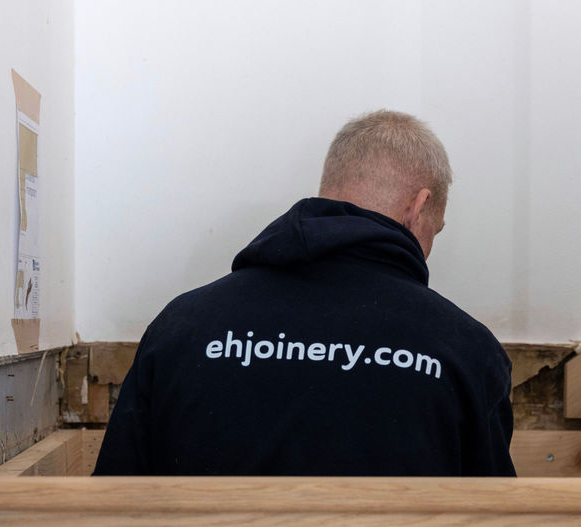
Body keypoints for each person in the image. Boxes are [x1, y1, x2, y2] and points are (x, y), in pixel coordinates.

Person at [93, 110, 516, 476]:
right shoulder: (467, 352)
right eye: (434, 231)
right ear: (418, 207)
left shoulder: (181, 327)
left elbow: (112, 503)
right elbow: (494, 526)